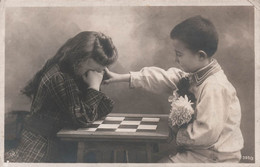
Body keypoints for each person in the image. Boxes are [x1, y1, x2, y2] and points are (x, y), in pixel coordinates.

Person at [104, 15, 244, 163]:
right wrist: (120, 77)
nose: (175, 59)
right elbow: (163, 77)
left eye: (179, 54)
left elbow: (206, 134)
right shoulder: (196, 76)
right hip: (198, 154)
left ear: (200, 56)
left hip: (214, 159)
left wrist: (174, 131)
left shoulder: (214, 87)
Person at [5, 31, 118, 162]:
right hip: (40, 149)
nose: (99, 74)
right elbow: (84, 118)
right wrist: (94, 87)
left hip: (57, 144)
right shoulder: (60, 78)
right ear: (79, 59)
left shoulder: (71, 74)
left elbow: (104, 107)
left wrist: (93, 86)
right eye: (94, 70)